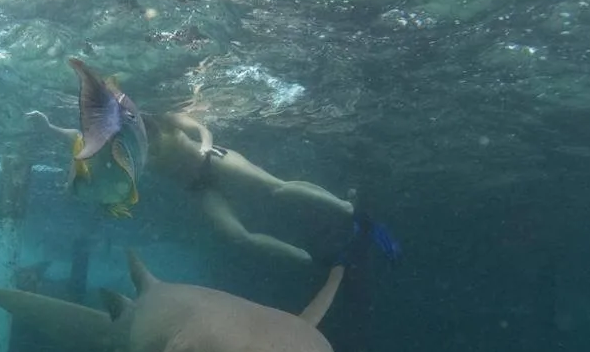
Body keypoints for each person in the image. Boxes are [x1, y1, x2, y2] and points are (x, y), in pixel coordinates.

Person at [30, 103, 355, 264]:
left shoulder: (167, 120)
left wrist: (205, 145)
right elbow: (78, 137)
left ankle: (342, 205)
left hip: (215, 160)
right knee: (237, 235)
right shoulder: (125, 147)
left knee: (276, 188)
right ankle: (300, 256)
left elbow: (201, 129)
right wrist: (48, 127)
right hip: (197, 187)